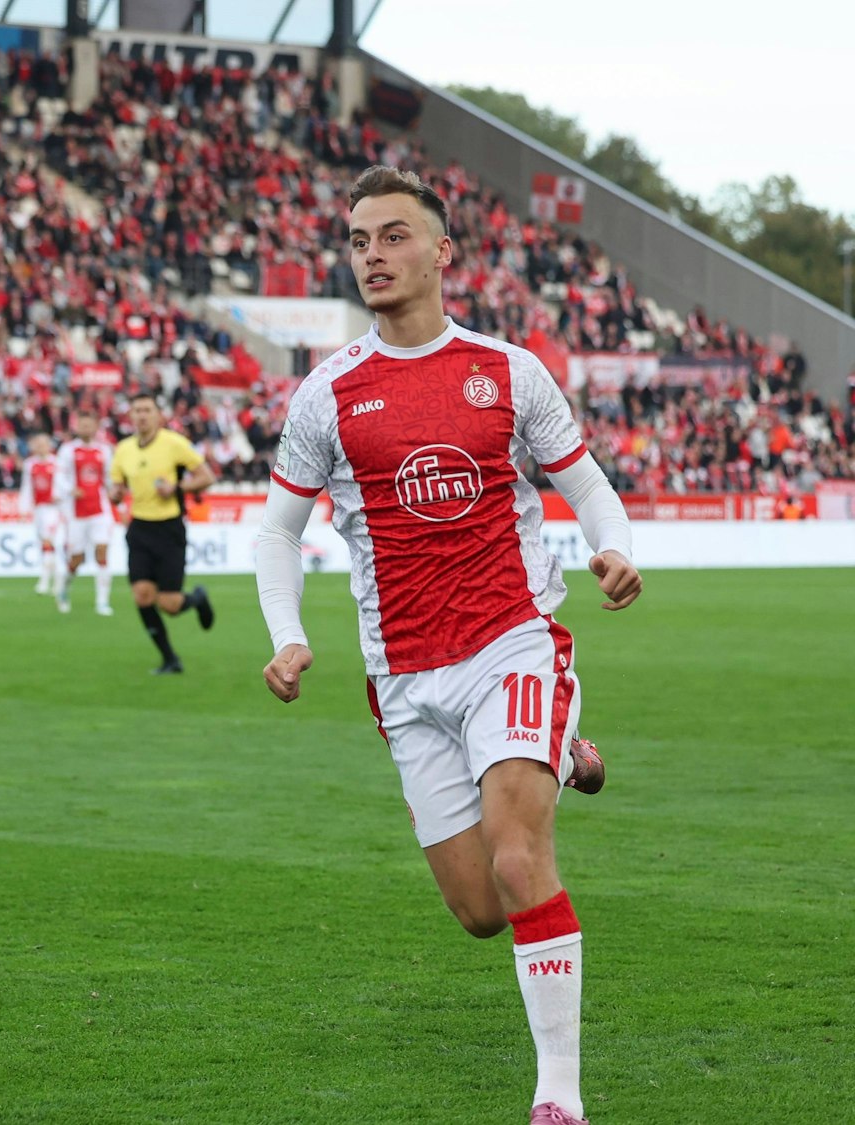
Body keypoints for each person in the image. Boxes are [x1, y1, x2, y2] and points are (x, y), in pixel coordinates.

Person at [253, 166, 640, 1125]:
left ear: (441, 251)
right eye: (357, 240)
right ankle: (568, 753)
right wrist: (288, 636)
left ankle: (560, 1097)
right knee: (479, 908)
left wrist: (613, 548)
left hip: (512, 640)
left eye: (392, 235)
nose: (372, 255)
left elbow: (585, 483)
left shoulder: (509, 370)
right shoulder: (328, 393)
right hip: (404, 676)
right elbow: (274, 533)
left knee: (519, 861)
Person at [110, 392, 216, 673]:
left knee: (169, 604)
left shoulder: (174, 444)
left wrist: (177, 488)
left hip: (169, 528)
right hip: (139, 528)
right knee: (142, 596)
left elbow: (207, 477)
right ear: (130, 416)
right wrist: (115, 494)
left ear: (158, 415)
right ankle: (170, 659)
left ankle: (197, 599)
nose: (142, 415)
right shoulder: (123, 450)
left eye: (147, 410)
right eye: (136, 410)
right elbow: (115, 489)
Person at [52, 407, 117, 616]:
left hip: (100, 510)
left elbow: (109, 479)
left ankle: (102, 602)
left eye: (89, 424)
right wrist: (70, 489)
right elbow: (59, 476)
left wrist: (118, 499)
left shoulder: (104, 451)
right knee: (77, 560)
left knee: (102, 552)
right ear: (76, 427)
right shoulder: (68, 450)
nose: (85, 427)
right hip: (77, 513)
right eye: (82, 424)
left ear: (96, 427)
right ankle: (63, 587)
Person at [18, 432, 61, 595]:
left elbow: (62, 484)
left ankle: (44, 580)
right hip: (39, 509)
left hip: (53, 509)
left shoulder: (56, 463)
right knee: (45, 544)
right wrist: (23, 508)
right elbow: (27, 486)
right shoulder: (30, 464)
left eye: (43, 444)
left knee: (48, 542)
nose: (40, 447)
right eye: (37, 444)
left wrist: (60, 498)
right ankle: (56, 579)